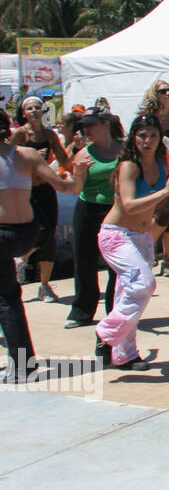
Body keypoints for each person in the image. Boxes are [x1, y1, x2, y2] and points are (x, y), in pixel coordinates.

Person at [0, 108, 85, 382]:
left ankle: (23, 365)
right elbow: (65, 186)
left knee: (7, 299)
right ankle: (22, 362)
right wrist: (80, 174)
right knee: (8, 296)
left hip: (3, 235)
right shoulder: (27, 155)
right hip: (27, 232)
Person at [95, 114, 169, 370]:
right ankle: (106, 333)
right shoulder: (129, 164)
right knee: (144, 283)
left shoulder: (163, 162)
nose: (148, 140)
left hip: (142, 236)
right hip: (116, 235)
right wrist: (163, 193)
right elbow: (128, 206)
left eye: (153, 135)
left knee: (130, 294)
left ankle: (124, 354)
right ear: (133, 138)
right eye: (142, 135)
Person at [65, 107, 123, 329]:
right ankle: (81, 311)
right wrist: (78, 172)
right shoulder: (84, 154)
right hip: (87, 210)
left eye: (91, 124)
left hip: (115, 212)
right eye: (84, 126)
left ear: (106, 124)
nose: (86, 130)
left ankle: (114, 310)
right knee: (84, 261)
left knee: (115, 265)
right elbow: (74, 189)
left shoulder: (124, 150)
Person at [13, 97, 68, 302]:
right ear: (24, 113)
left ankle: (44, 285)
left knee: (50, 235)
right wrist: (32, 154)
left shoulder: (49, 134)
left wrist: (73, 143)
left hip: (46, 188)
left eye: (38, 107)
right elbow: (8, 157)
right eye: (30, 108)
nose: (35, 111)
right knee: (42, 229)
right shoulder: (20, 133)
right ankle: (21, 259)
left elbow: (63, 159)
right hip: (27, 189)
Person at [140, 82, 169, 277]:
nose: (167, 93)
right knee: (164, 213)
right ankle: (144, 249)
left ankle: (167, 260)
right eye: (162, 91)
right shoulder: (148, 119)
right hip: (155, 171)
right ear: (154, 94)